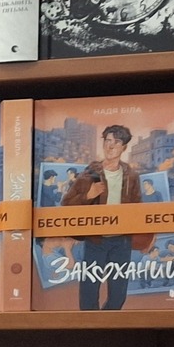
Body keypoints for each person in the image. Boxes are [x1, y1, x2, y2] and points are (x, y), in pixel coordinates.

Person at [60, 123, 143, 311]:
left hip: (121, 242)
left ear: (124, 147)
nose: (110, 145)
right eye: (107, 140)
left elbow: (138, 210)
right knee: (89, 291)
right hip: (95, 241)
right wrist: (88, 195)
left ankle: (106, 322)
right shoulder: (90, 174)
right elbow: (66, 204)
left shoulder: (132, 176)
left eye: (116, 142)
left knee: (118, 294)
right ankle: (89, 324)